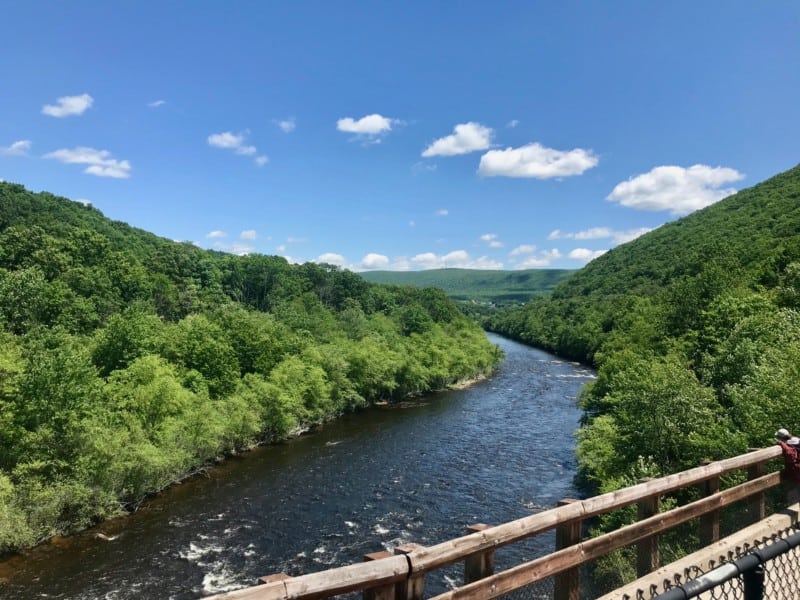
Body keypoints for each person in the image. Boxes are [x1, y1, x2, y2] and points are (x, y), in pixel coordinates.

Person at [775, 427, 800, 505]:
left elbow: (789, 454)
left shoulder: (788, 444)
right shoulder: (797, 440)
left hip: (796, 471)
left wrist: (780, 444)